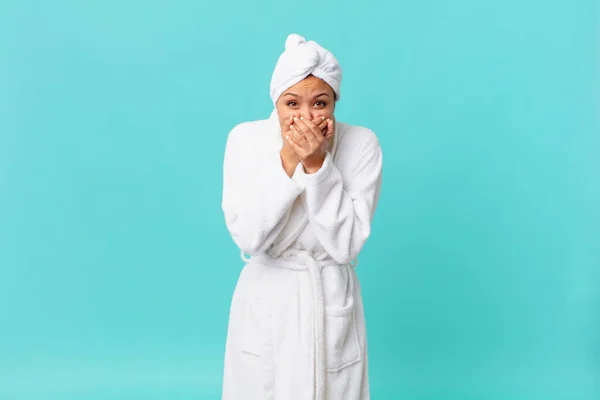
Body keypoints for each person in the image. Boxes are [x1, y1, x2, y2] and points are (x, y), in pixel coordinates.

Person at [221, 33, 383, 400]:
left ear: (335, 102)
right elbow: (249, 237)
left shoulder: (361, 144)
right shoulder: (245, 141)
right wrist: (290, 161)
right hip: (267, 299)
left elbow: (346, 246)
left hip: (328, 299)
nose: (306, 117)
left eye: (320, 103)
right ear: (276, 101)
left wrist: (317, 166)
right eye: (292, 103)